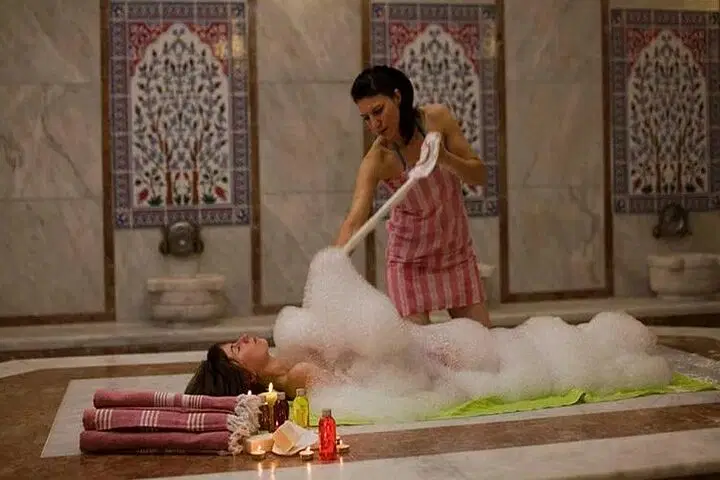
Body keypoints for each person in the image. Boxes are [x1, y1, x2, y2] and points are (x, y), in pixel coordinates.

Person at [334, 65, 490, 327]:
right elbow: (355, 220)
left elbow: (480, 175)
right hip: (409, 263)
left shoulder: (436, 120)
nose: (374, 124)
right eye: (366, 118)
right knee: (416, 350)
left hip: (456, 254)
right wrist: (330, 266)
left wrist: (445, 159)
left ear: (397, 97)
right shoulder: (377, 160)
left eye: (378, 111)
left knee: (483, 345)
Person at [184, 334, 335, 397]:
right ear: (247, 375)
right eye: (237, 348)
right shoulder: (299, 375)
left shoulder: (290, 355)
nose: (244, 337)